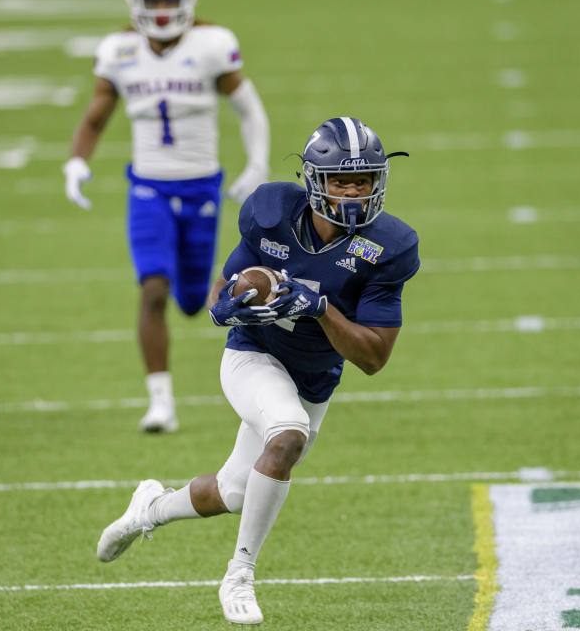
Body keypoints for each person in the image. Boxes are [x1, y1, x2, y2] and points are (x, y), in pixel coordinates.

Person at [95, 117, 419, 624]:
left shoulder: (389, 247)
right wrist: (223, 306)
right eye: (342, 181)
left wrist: (320, 308)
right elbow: (223, 287)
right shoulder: (272, 212)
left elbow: (374, 358)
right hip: (252, 356)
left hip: (314, 378)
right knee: (286, 437)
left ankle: (149, 509)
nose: (355, 193)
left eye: (364, 181)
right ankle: (239, 575)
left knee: (234, 491)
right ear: (315, 181)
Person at [63, 0, 270, 433]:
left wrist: (257, 164)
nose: (160, 11)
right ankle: (161, 403)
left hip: (201, 189)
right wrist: (77, 159)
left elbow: (248, 108)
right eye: (152, 1)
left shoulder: (212, 43)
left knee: (195, 300)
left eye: (168, 0)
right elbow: (96, 117)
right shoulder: (118, 50)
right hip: (148, 188)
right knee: (153, 286)